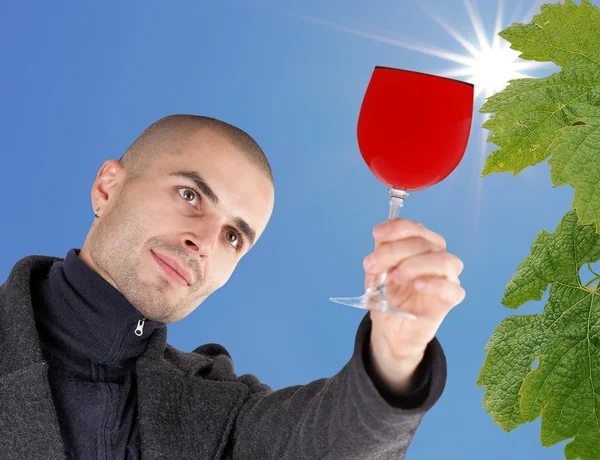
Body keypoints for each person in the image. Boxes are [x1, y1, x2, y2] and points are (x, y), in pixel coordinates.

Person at [0, 114, 465, 460]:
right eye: (190, 195)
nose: (202, 243)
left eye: (232, 236)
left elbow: (328, 443)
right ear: (106, 188)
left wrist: (396, 355)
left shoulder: (220, 410)